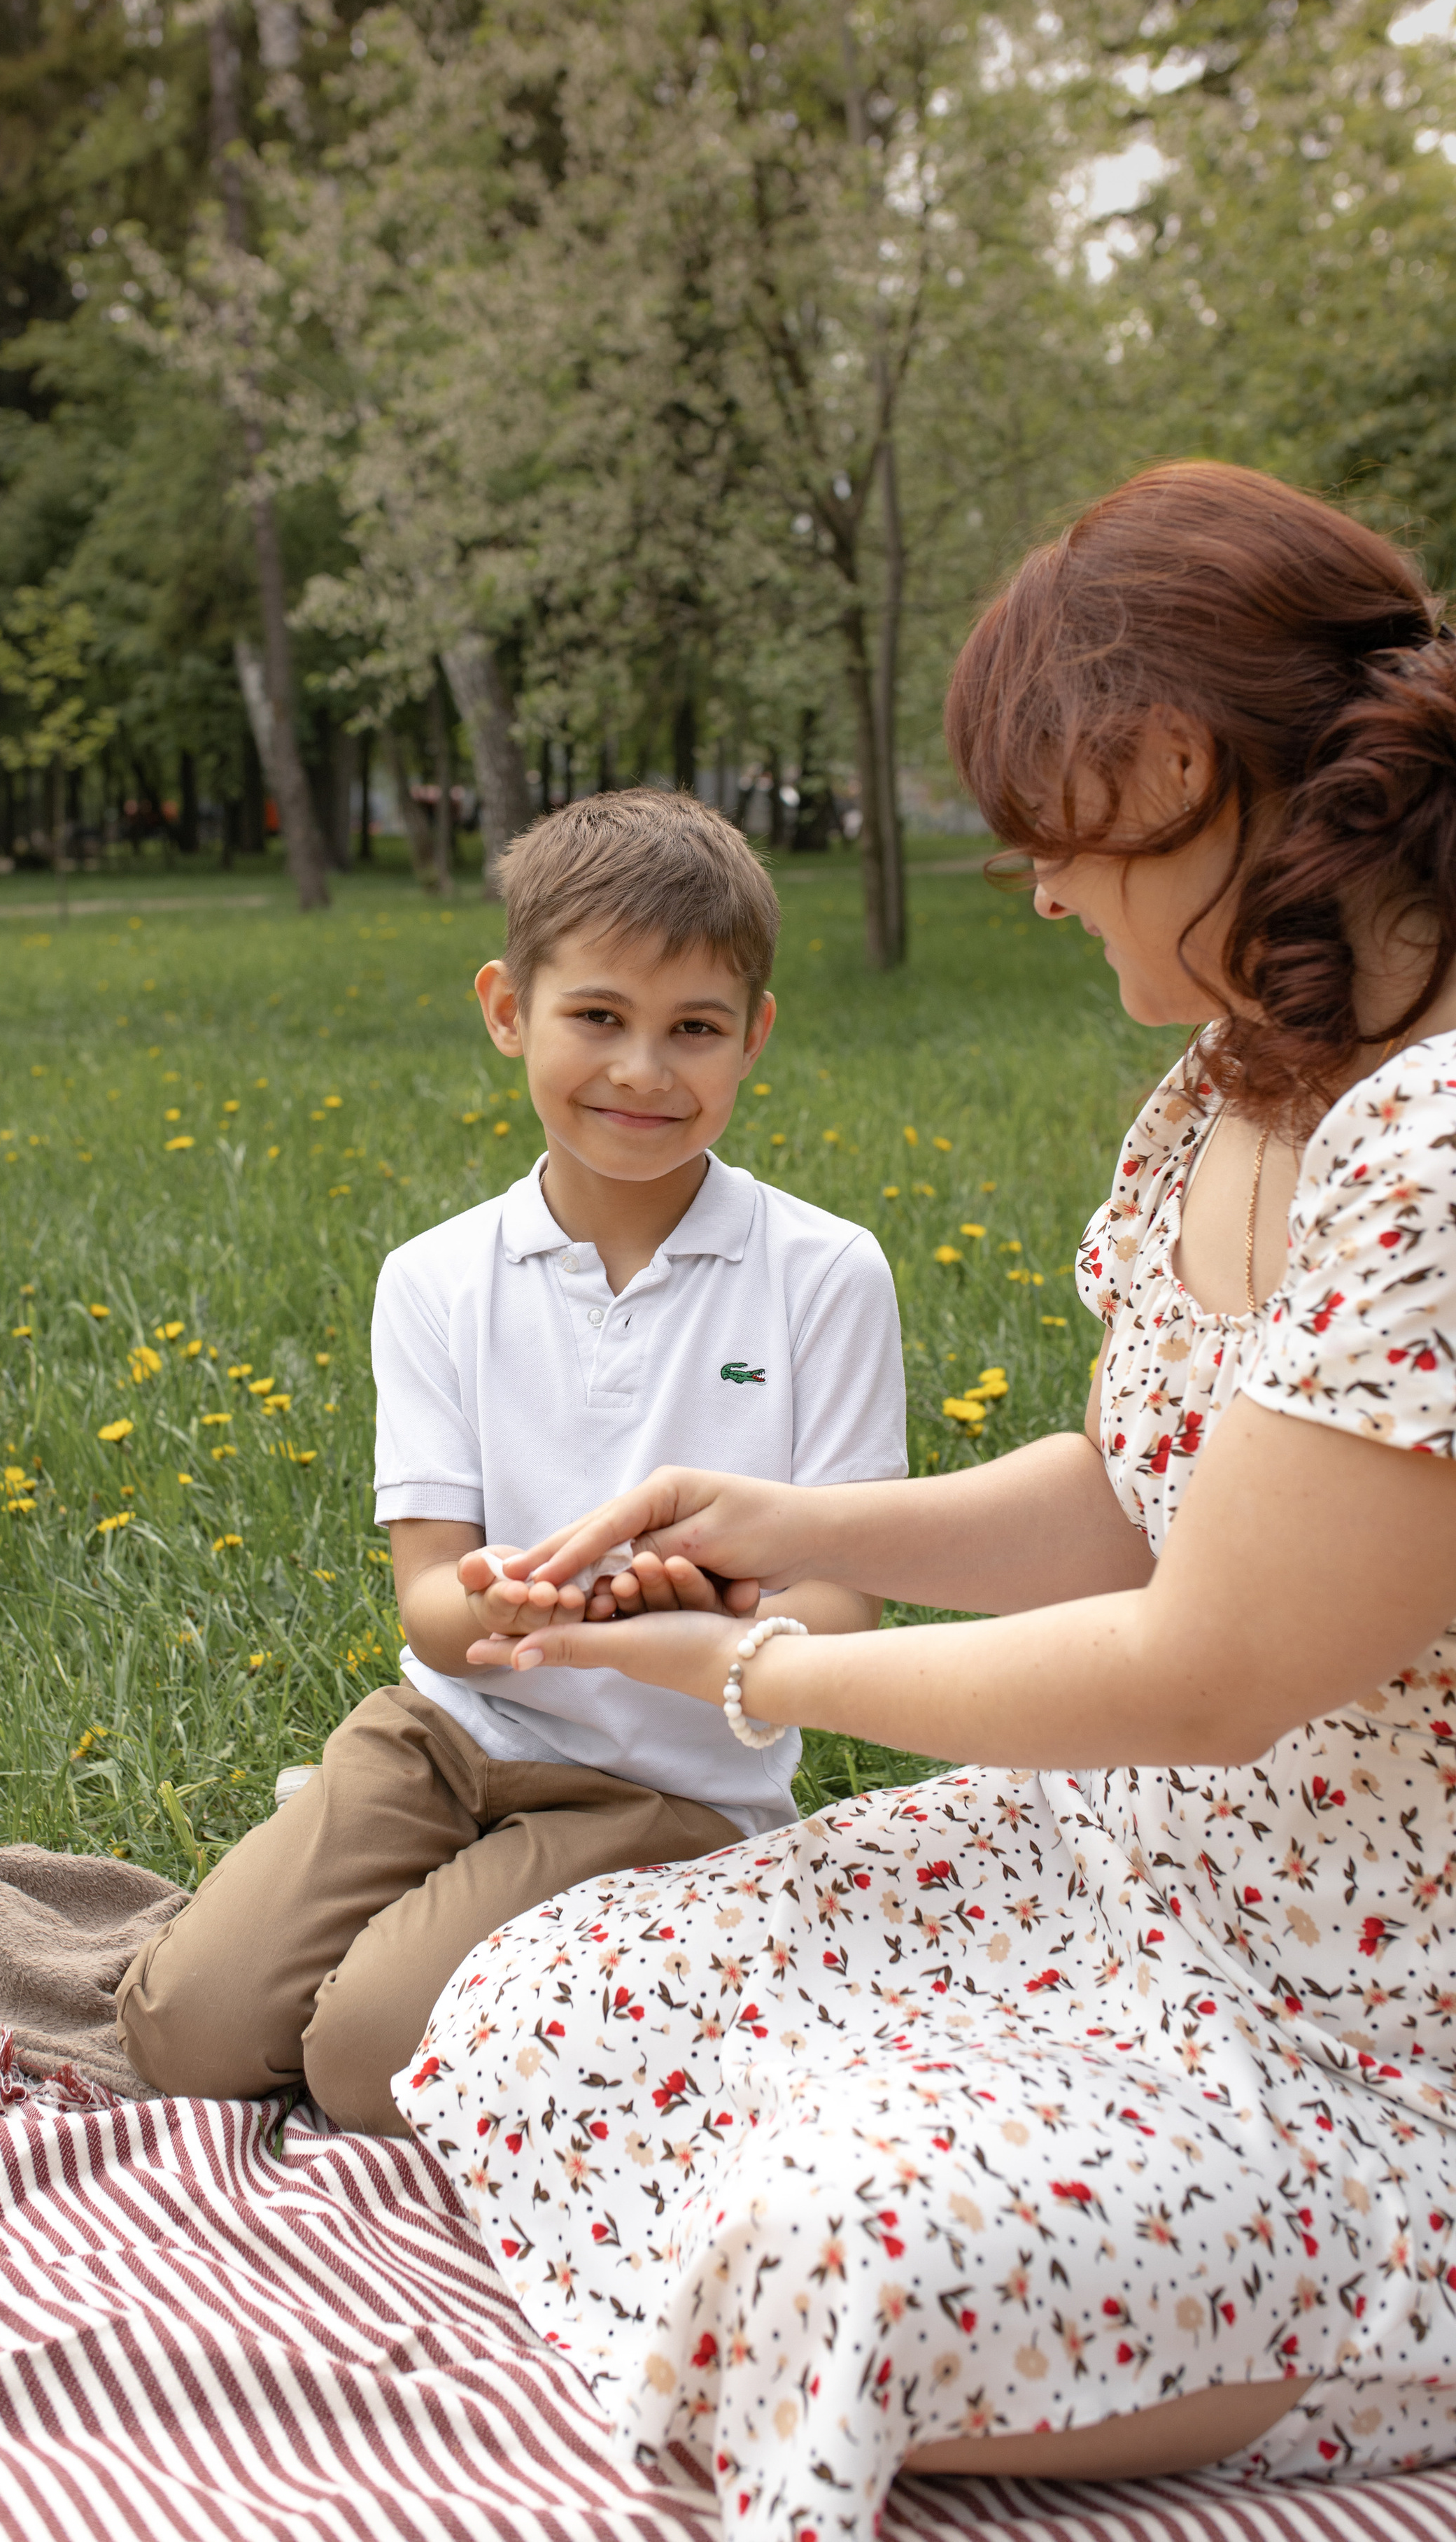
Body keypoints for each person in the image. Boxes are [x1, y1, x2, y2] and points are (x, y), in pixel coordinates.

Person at [393, 464, 1456, 2534]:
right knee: (553, 1997)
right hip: (1131, 1886)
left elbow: (1203, 1666)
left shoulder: (1436, 1159)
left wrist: (760, 1670)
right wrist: (779, 1518)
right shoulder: (1243, 1073)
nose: (1036, 883)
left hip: (1372, 2034)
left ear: (1164, 759)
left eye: (1046, 826)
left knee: (832, 2250)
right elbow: (1140, 1492)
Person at [115, 788, 906, 2130]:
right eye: (597, 1018)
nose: (644, 1073)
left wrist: (706, 1619)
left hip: (671, 1788)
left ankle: (572, 1930)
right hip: (446, 1731)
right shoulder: (434, 1279)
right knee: (183, 2031)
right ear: (507, 1009)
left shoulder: (824, 1275)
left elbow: (839, 1612)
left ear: (754, 1038)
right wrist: (509, 1612)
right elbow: (428, 1599)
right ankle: (416, 1875)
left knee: (368, 2063)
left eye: (694, 1030)